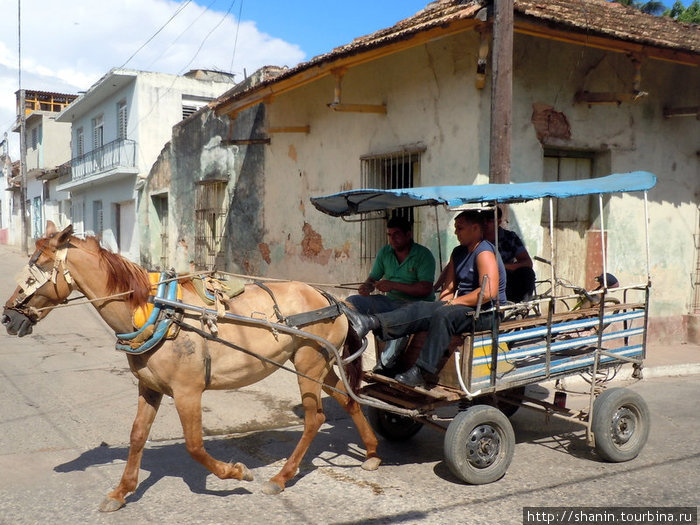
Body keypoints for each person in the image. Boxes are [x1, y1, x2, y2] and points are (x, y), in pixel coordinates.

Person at [343, 209, 506, 388]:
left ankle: (422, 371)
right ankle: (371, 323)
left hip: (486, 312)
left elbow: (488, 292)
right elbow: (449, 288)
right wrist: (443, 303)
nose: (455, 232)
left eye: (460, 228)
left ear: (475, 228)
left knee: (444, 315)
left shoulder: (484, 251)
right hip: (466, 308)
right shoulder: (458, 252)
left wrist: (451, 304)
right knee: (421, 307)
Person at [345, 215, 436, 373]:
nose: (392, 239)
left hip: (417, 306)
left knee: (401, 318)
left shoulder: (423, 255)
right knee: (351, 302)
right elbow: (374, 277)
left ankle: (385, 365)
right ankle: (351, 344)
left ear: (408, 234)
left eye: (397, 234)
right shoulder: (385, 252)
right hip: (390, 302)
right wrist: (367, 286)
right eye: (389, 235)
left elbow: (425, 289)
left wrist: (393, 285)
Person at [483, 206, 535, 303]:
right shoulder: (477, 239)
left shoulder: (510, 237)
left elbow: (527, 262)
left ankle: (523, 307)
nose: (485, 223)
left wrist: (503, 267)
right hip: (485, 279)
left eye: (489, 220)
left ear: (498, 222)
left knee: (527, 273)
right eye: (483, 220)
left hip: (508, 278)